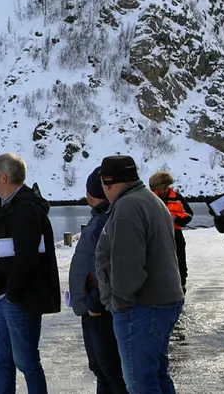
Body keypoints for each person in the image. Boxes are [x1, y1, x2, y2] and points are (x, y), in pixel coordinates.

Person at [95, 155, 184, 394]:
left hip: (141, 307)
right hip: (161, 302)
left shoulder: (127, 207)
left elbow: (127, 265)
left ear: (108, 182)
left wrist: (118, 303)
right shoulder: (149, 200)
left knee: (139, 382)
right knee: (156, 375)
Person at [0, 152, 60, 394]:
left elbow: (27, 256)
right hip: (3, 296)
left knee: (26, 361)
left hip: (20, 298)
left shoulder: (26, 208)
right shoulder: (2, 207)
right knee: (2, 360)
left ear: (4, 177)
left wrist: (13, 294)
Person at [68, 166, 128, 394]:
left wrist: (95, 301)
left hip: (100, 310)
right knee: (102, 371)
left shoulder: (106, 221)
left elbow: (111, 265)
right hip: (92, 308)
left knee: (111, 372)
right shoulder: (100, 218)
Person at [149, 171, 193, 293]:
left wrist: (178, 220)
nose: (164, 190)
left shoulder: (178, 198)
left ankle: (181, 287)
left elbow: (189, 213)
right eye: (161, 187)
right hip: (157, 237)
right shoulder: (150, 199)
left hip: (176, 235)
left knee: (180, 264)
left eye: (165, 187)